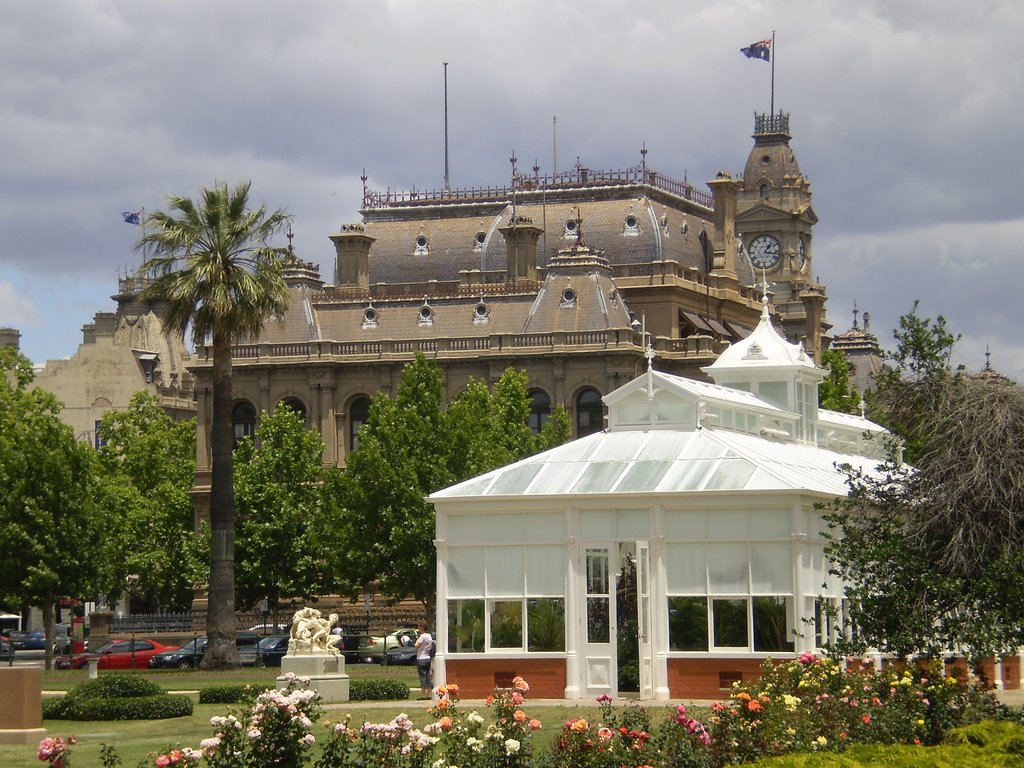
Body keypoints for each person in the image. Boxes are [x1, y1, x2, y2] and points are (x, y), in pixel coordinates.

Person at [414, 621, 433, 699]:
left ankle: (422, 694)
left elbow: (416, 645)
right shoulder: (429, 636)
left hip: (421, 658)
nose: (418, 628)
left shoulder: (422, 636)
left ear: (422, 627)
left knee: (422, 676)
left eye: (419, 627)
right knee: (428, 675)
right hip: (427, 658)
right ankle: (429, 694)